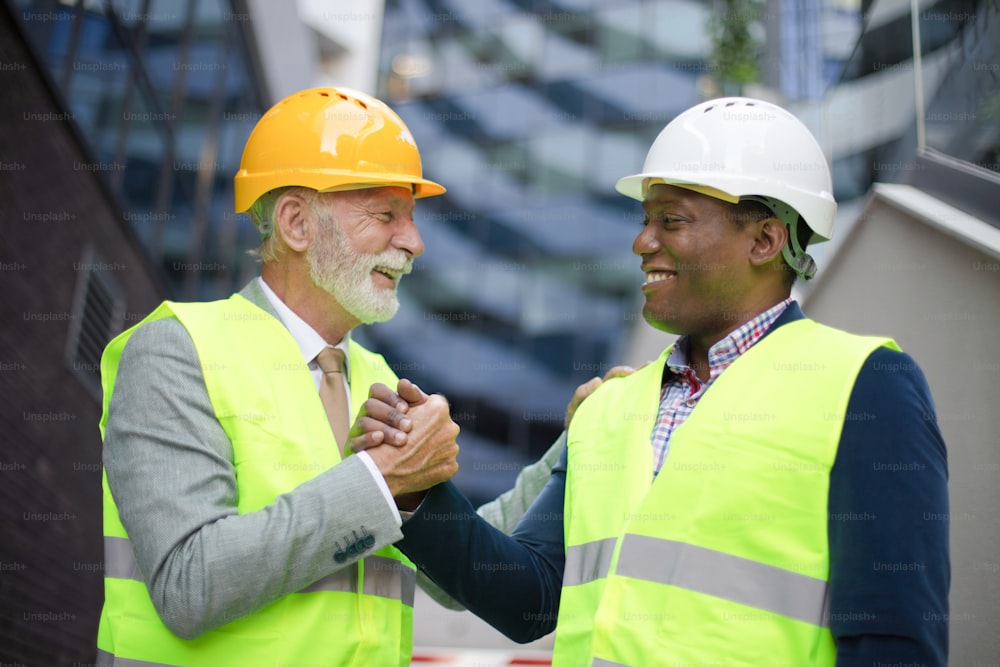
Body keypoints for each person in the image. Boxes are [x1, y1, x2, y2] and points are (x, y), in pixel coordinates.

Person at [361, 97, 951, 665]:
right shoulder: (609, 407)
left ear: (765, 240)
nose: (642, 243)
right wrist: (414, 490)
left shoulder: (864, 384)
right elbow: (529, 600)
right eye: (646, 221)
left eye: (672, 221)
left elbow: (891, 639)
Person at [97, 85, 561, 666]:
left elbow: (449, 577)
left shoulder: (377, 376)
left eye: (411, 219)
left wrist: (568, 450)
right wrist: (381, 480)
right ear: (296, 223)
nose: (414, 243)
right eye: (386, 214)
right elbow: (190, 585)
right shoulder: (176, 352)